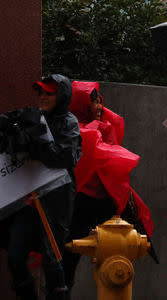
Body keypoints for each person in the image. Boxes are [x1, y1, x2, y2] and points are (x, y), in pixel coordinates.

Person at [62, 81, 154, 295]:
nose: (98, 106)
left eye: (99, 101)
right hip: (81, 203)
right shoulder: (73, 128)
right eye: (93, 102)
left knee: (114, 258)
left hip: (104, 203)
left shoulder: (107, 124)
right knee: (69, 257)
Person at [1, 74, 82, 300]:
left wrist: (34, 145)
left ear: (62, 95)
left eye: (50, 93)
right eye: (41, 93)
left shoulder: (69, 123)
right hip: (27, 200)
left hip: (56, 201)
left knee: (51, 258)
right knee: (15, 256)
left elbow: (65, 156)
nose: (44, 97)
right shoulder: (30, 119)